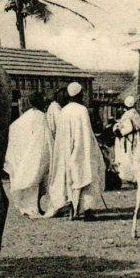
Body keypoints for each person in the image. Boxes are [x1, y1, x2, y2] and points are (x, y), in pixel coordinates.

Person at [45, 82, 106, 220]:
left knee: (69, 179)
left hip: (66, 152)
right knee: (86, 176)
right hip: (82, 149)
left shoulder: (64, 111)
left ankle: (72, 209)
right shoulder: (82, 110)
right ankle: (87, 211)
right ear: (79, 95)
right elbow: (86, 133)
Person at [4, 91, 53, 219]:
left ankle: (28, 207)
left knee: (30, 180)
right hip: (38, 153)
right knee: (36, 181)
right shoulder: (41, 116)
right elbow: (45, 137)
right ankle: (34, 207)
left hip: (27, 153)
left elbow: (14, 129)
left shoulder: (26, 116)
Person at [112, 96, 140, 183]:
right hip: (135, 138)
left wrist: (119, 131)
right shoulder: (136, 114)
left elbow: (128, 129)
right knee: (136, 157)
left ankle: (129, 177)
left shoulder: (127, 115)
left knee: (128, 157)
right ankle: (135, 176)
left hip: (129, 140)